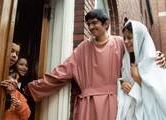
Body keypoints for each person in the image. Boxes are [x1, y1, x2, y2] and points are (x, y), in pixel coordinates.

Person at [27, 9, 165, 120]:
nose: (91, 27)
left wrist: (157, 58)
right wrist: (34, 88)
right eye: (88, 24)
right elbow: (63, 71)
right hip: (88, 105)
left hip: (113, 104)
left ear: (106, 24)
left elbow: (139, 48)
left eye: (94, 23)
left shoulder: (120, 43)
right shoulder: (83, 48)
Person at [117, 18, 166, 120]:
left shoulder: (155, 59)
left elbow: (160, 95)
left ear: (139, 37)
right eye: (124, 38)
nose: (126, 42)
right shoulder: (126, 60)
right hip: (131, 113)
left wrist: (138, 79)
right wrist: (123, 84)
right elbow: (124, 79)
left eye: (130, 38)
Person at [1, 43, 31, 120]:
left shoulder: (22, 90)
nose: (24, 68)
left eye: (26, 66)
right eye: (21, 64)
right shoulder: (3, 77)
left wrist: (20, 106)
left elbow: (27, 113)